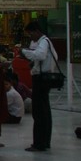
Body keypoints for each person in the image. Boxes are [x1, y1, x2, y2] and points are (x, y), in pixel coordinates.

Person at [21, 21, 57, 152]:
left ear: (36, 31)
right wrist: (34, 63)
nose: (30, 37)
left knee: (39, 112)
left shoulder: (43, 41)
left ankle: (39, 143)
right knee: (44, 111)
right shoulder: (45, 42)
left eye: (30, 33)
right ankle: (45, 141)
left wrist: (24, 52)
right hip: (42, 77)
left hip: (41, 79)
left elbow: (40, 55)